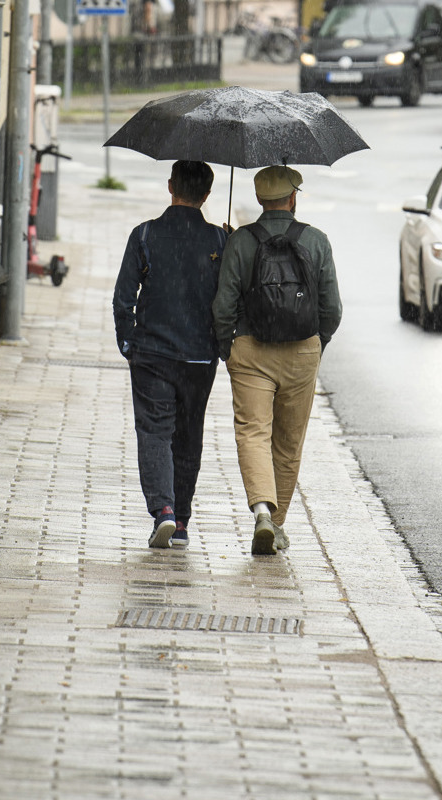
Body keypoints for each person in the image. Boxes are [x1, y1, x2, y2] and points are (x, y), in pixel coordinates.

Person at [212, 165, 342, 556]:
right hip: (302, 352)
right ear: (293, 197)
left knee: (252, 432)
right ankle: (279, 524)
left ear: (258, 199)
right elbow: (331, 308)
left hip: (251, 349)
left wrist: (228, 347)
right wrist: (317, 344)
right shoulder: (316, 241)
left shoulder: (241, 242)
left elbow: (224, 305)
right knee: (288, 443)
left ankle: (263, 512)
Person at [113, 160, 228, 549]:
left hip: (152, 353)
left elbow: (123, 299)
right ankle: (180, 521)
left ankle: (162, 509)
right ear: (208, 195)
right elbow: (227, 302)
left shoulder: (145, 234)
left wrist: (128, 343)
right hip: (199, 358)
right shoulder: (218, 241)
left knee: (155, 432)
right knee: (188, 435)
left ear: (170, 186)